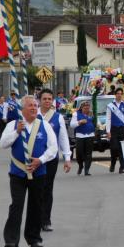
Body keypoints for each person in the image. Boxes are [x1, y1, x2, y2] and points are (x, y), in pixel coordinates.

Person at [0, 95, 58, 247]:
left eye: (35, 105)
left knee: (36, 205)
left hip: (38, 172)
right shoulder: (14, 124)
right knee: (16, 205)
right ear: (22, 109)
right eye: (30, 106)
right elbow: (3, 144)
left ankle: (34, 238)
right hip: (18, 173)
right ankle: (11, 240)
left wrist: (41, 160)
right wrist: (16, 132)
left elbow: (53, 148)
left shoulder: (44, 125)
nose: (33, 108)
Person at [38, 89, 72, 232]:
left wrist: (67, 157)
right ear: (39, 100)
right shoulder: (34, 115)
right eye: (44, 98)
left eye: (49, 99)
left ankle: (46, 220)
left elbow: (63, 137)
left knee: (47, 188)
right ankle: (35, 219)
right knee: (36, 189)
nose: (47, 101)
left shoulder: (57, 117)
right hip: (36, 159)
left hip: (51, 159)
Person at [107, 87, 124, 174]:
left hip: (123, 129)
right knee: (114, 148)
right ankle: (113, 163)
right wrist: (108, 131)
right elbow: (108, 119)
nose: (119, 95)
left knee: (123, 149)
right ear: (115, 95)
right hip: (114, 129)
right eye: (118, 93)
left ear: (122, 95)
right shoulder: (110, 105)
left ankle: (122, 167)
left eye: (120, 94)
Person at [70, 101, 95, 176]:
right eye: (85, 108)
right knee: (79, 154)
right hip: (80, 136)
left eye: (88, 107)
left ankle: (87, 170)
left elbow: (95, 122)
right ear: (81, 108)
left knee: (88, 154)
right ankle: (80, 166)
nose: (87, 109)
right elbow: (72, 125)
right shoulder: (76, 114)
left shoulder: (91, 113)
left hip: (90, 135)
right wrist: (79, 122)